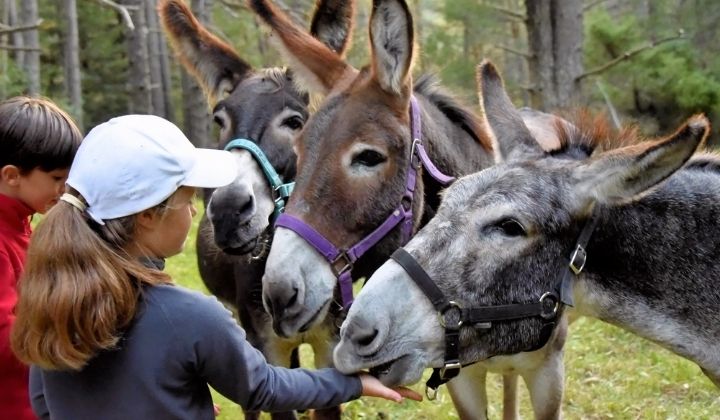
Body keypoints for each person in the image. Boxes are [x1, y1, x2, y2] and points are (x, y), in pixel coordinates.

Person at [10, 115, 420, 419]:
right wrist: (352, 382)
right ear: (150, 214)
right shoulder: (190, 317)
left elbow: (44, 405)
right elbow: (264, 388)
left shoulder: (45, 298)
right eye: (189, 199)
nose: (193, 211)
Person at [0, 96, 83, 420]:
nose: (65, 189)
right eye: (56, 178)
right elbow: (5, 342)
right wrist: (70, 331)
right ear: (11, 175)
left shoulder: (22, 226)